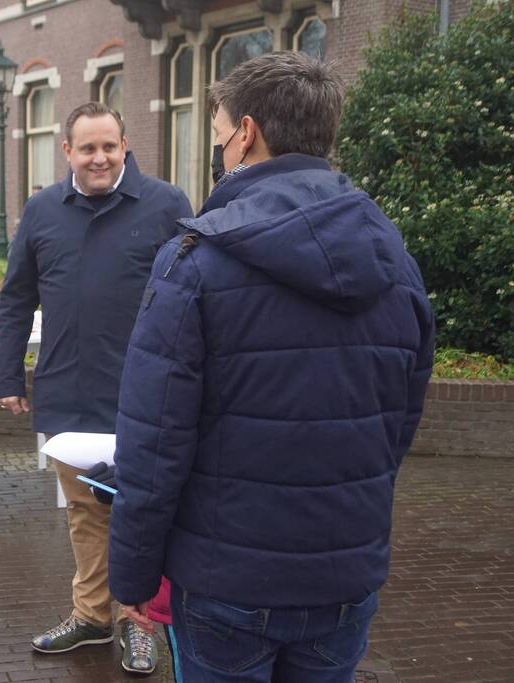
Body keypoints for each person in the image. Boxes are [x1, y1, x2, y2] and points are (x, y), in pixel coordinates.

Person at [107, 51, 435, 683]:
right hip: (344, 576)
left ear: (246, 134)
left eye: (219, 133)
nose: (219, 148)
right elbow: (398, 423)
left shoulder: (194, 261)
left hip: (227, 583)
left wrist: (134, 577)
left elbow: (154, 444)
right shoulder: (395, 261)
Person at [0, 102, 193, 674]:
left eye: (109, 146)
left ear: (125, 146)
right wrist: (9, 374)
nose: (100, 157)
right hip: (68, 389)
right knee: (84, 510)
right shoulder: (41, 211)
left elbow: (195, 292)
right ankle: (91, 615)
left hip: (147, 392)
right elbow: (15, 299)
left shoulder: (166, 205)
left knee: (144, 510)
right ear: (68, 152)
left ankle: (140, 623)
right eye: (88, 148)